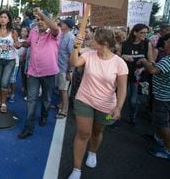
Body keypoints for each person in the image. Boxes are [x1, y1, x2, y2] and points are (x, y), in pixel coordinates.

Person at [68, 28, 128, 179]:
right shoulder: (89, 54)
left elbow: (122, 88)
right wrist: (76, 47)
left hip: (107, 106)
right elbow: (74, 62)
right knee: (83, 133)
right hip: (84, 100)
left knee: (97, 132)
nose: (91, 41)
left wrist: (119, 108)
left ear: (104, 43)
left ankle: (93, 152)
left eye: (94, 39)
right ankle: (76, 170)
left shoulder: (119, 63)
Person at [138, 37, 170, 160]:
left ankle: (168, 150)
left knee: (163, 124)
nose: (164, 44)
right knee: (165, 121)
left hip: (164, 97)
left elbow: (153, 70)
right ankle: (158, 138)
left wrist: (144, 61)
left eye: (167, 43)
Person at [17, 8, 60, 139]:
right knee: (31, 100)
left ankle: (44, 115)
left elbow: (54, 27)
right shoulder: (34, 32)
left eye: (42, 19)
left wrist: (41, 13)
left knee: (46, 98)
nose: (40, 22)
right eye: (38, 19)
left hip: (48, 73)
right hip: (33, 72)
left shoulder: (54, 33)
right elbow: (29, 42)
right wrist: (21, 44)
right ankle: (29, 127)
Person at [120, 24, 153, 125]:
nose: (144, 35)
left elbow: (151, 61)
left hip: (137, 76)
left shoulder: (147, 44)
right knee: (119, 99)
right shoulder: (125, 43)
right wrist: (123, 56)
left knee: (133, 101)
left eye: (146, 33)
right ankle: (112, 118)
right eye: (142, 32)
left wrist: (143, 67)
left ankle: (132, 117)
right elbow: (116, 57)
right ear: (135, 32)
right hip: (123, 74)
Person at [0, 10, 18, 113]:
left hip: (10, 61)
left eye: (5, 17)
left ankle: (4, 103)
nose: (3, 19)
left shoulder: (13, 32)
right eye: (1, 17)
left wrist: (17, 44)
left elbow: (16, 43)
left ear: (9, 19)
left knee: (4, 82)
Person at [56, 18, 75, 119]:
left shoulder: (70, 37)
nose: (61, 24)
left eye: (62, 23)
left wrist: (69, 71)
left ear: (67, 25)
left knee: (64, 90)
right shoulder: (62, 35)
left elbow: (72, 55)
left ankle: (64, 110)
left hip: (64, 68)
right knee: (60, 88)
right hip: (59, 66)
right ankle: (61, 104)